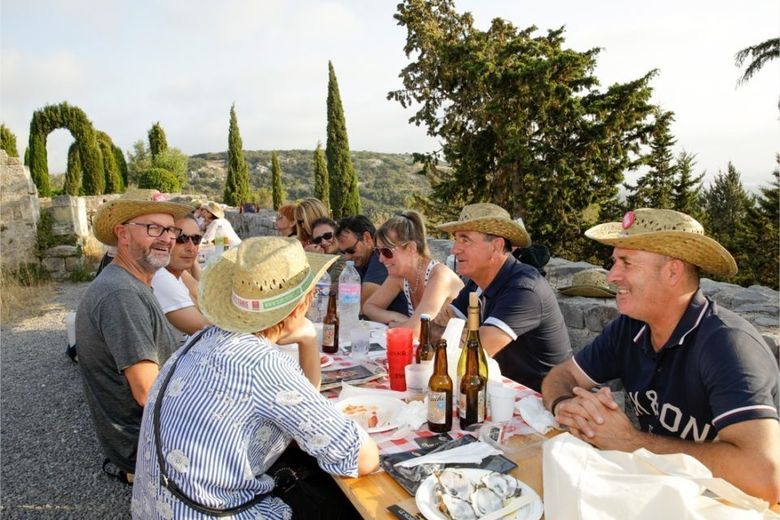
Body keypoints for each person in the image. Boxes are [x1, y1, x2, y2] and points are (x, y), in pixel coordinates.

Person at [541, 208, 780, 504]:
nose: (612, 276)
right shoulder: (630, 327)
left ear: (673, 272)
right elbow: (561, 375)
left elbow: (764, 477)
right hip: (660, 494)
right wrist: (565, 405)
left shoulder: (728, 345)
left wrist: (632, 442)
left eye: (626, 263)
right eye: (614, 262)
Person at [131, 237, 380, 518]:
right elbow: (361, 458)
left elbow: (306, 403)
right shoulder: (262, 364)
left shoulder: (205, 338)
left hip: (159, 508)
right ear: (304, 303)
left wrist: (308, 340)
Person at [75, 192, 192, 483]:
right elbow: (147, 392)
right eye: (153, 228)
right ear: (122, 234)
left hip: (151, 433)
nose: (166, 238)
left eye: (170, 230)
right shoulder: (121, 295)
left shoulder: (132, 282)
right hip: (150, 445)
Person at [435, 203, 572, 391]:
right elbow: (439, 326)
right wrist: (458, 333)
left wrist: (458, 332)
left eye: (465, 239)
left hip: (542, 404)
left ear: (496, 246)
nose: (455, 249)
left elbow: (474, 354)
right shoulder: (477, 282)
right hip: (500, 390)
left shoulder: (524, 288)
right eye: (456, 239)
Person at [363, 211, 463, 338]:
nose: (381, 259)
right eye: (378, 252)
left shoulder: (439, 276)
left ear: (411, 248)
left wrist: (398, 325)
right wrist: (398, 317)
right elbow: (369, 307)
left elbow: (415, 331)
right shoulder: (400, 276)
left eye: (386, 252)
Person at [150, 213, 210, 339]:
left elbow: (207, 298)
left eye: (196, 239)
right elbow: (206, 330)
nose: (191, 247)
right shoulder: (160, 276)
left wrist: (192, 260)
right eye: (181, 239)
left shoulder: (175, 273)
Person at [335, 215, 408, 314]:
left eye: (351, 250)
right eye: (343, 252)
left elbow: (359, 306)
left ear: (367, 238)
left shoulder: (382, 257)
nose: (347, 257)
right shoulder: (361, 261)